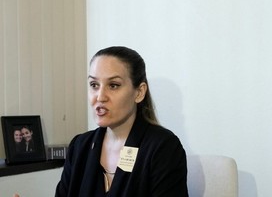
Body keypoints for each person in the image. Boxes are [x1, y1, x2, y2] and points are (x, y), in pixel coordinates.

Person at [14, 46, 188, 197]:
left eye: (113, 85)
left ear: (139, 92)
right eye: (94, 85)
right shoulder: (80, 146)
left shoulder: (163, 147)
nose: (100, 97)